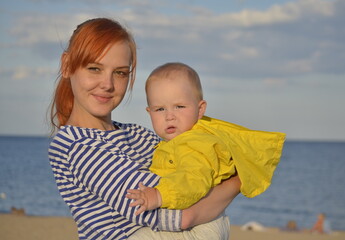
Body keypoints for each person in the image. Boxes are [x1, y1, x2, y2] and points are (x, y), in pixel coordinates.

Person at [48, 18, 241, 240]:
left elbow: (192, 163)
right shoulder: (76, 145)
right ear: (66, 65)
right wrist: (237, 181)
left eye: (120, 72)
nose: (107, 84)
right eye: (94, 69)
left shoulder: (135, 134)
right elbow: (180, 215)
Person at [126, 62, 285, 214]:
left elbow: (193, 178)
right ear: (149, 112)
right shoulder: (176, 142)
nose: (169, 116)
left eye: (179, 106)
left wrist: (159, 195)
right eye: (160, 109)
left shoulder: (196, 143)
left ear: (200, 109)